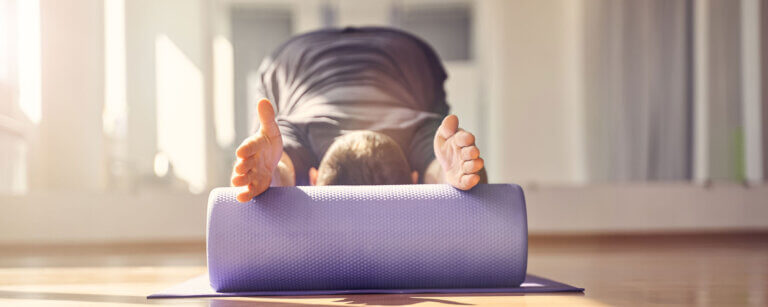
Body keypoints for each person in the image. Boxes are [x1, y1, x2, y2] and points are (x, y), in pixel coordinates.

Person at [231, 27, 486, 202]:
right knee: (267, 141)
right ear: (414, 179)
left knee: (267, 148)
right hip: (300, 56)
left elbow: (282, 171)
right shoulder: (420, 129)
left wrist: (453, 175)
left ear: (313, 177)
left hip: (402, 51)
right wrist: (457, 176)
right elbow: (281, 172)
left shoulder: (418, 128)